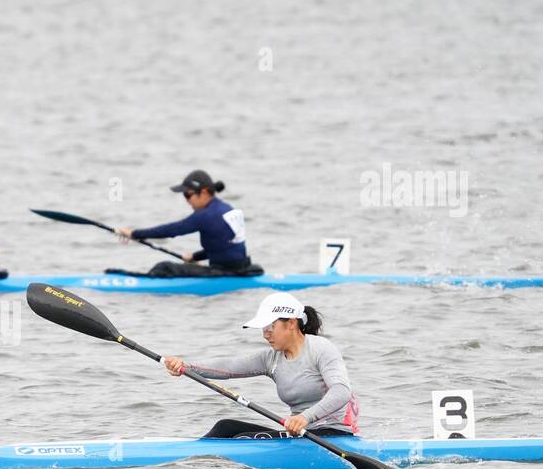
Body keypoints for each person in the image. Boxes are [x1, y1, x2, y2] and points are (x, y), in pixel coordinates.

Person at [162, 292, 359, 439]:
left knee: (241, 439)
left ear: (291, 323)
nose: (265, 334)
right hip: (301, 435)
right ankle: (192, 456)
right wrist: (186, 367)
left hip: (333, 434)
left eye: (270, 327)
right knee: (226, 427)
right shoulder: (272, 358)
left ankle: (192, 458)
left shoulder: (321, 348)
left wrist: (305, 418)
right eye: (263, 328)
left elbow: (342, 391)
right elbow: (229, 367)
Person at [109, 169, 262, 278]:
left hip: (224, 272)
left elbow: (173, 230)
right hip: (242, 268)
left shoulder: (205, 215)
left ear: (204, 192)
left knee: (164, 267)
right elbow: (224, 247)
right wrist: (195, 257)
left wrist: (133, 233)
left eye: (188, 194)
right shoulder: (226, 209)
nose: (186, 200)